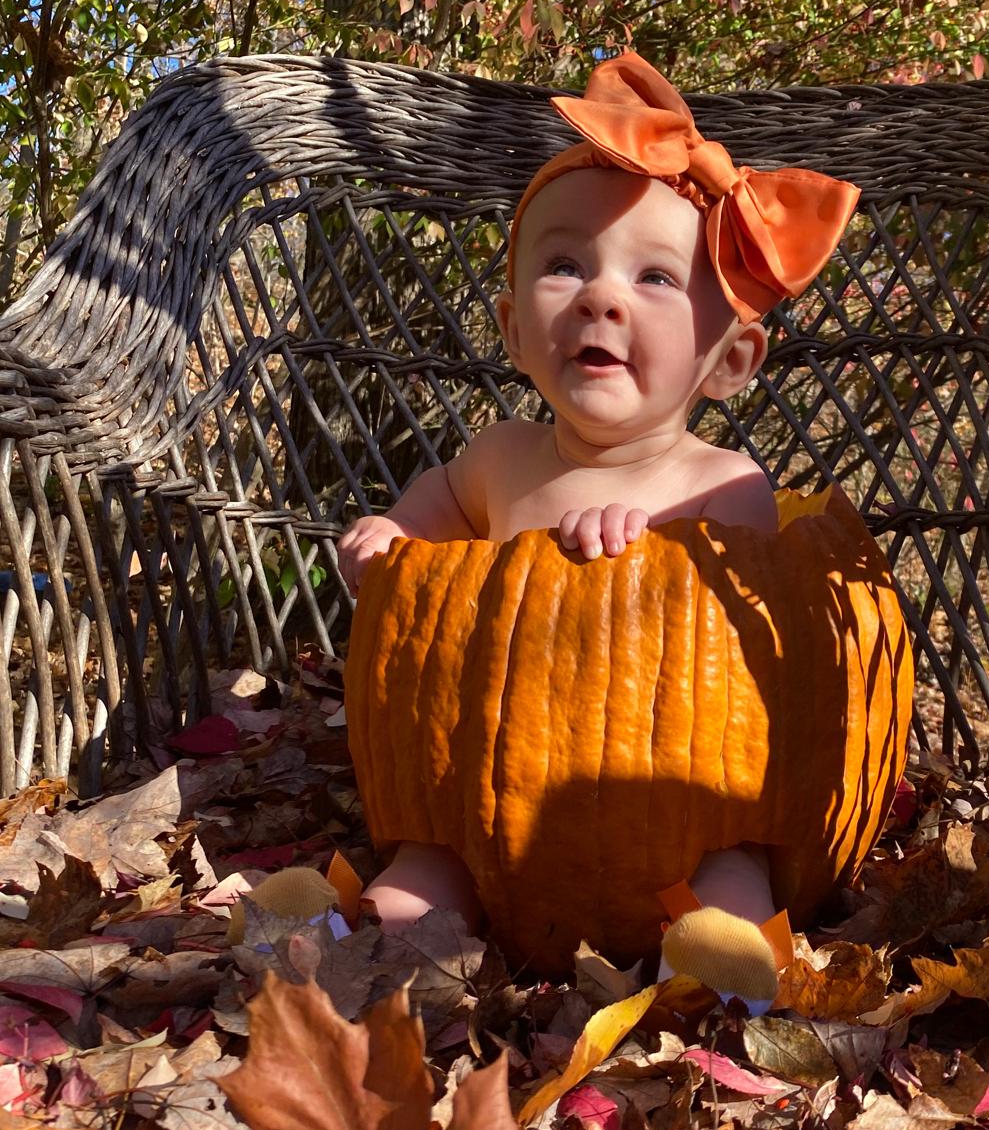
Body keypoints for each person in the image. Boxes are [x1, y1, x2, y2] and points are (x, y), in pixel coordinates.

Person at [336, 50, 862, 1002]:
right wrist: (389, 542)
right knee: (428, 860)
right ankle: (379, 946)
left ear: (732, 358)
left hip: (677, 799)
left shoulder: (721, 484)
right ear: (511, 327)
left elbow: (749, 651)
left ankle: (718, 960)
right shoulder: (497, 457)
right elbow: (436, 514)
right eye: (565, 264)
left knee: (732, 866)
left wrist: (660, 551)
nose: (601, 295)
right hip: (485, 794)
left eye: (656, 279)